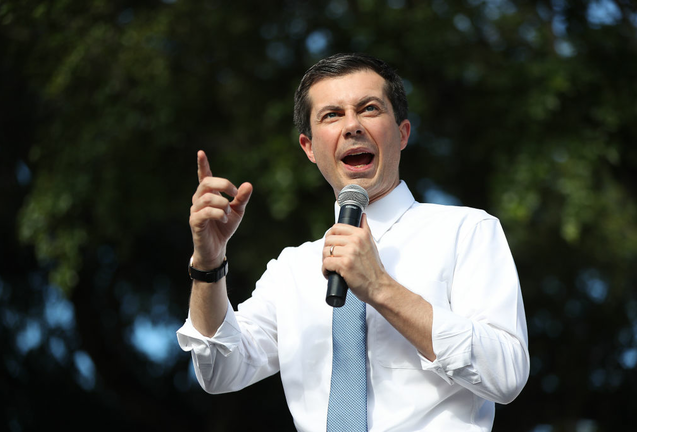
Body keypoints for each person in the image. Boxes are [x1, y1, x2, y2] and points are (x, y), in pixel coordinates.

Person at [177, 53, 529, 431]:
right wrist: (209, 265)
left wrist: (380, 287)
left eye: (369, 109)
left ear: (403, 133)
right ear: (309, 148)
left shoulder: (467, 230)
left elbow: (505, 374)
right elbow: (220, 372)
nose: (352, 126)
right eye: (331, 115)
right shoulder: (291, 269)